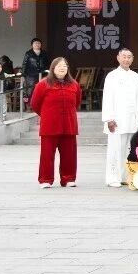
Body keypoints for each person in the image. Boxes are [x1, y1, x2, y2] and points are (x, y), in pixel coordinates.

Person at [30, 57, 81, 188]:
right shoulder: (43, 84)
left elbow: (77, 102)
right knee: (47, 155)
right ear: (53, 68)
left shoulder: (74, 84)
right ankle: (45, 179)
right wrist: (47, 116)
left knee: (69, 154)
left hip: (69, 125)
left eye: (64, 65)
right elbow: (35, 104)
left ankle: (68, 178)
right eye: (59, 66)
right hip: (50, 126)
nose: (62, 68)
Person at [100, 48, 138, 188]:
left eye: (129, 57)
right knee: (115, 149)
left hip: (132, 119)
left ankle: (125, 176)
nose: (126, 59)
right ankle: (113, 177)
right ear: (118, 58)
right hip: (116, 119)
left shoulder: (135, 76)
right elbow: (107, 98)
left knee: (130, 149)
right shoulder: (112, 76)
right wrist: (109, 118)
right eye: (123, 56)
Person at [21, 38, 50, 102]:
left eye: (39, 43)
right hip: (31, 75)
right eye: (35, 43)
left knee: (43, 89)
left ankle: (41, 104)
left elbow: (48, 63)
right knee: (29, 90)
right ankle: (28, 105)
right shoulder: (28, 53)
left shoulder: (44, 53)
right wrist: (23, 74)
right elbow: (24, 64)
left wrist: (48, 71)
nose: (37, 44)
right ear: (32, 45)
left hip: (43, 74)